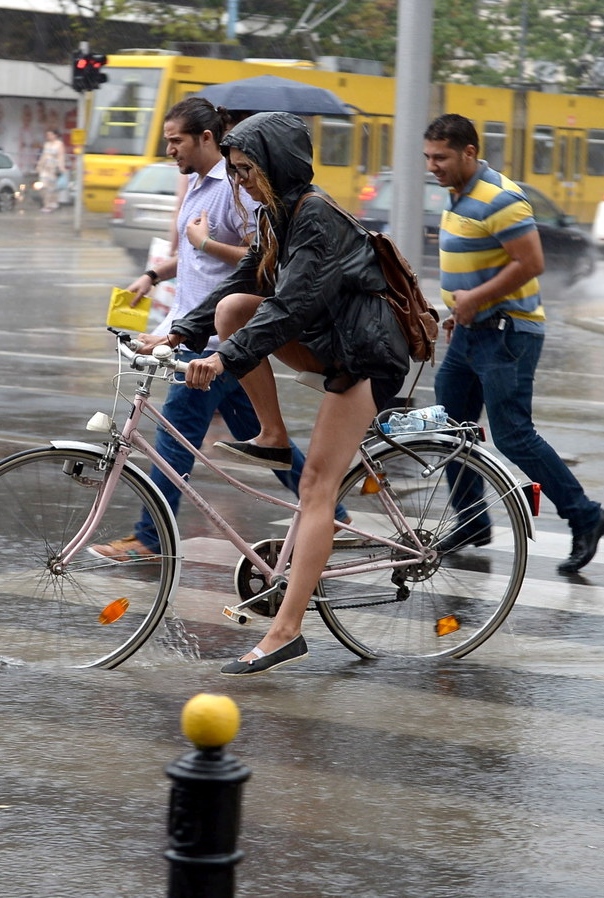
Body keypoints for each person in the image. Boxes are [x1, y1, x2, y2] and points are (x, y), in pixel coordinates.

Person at [147, 112, 410, 675]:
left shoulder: (313, 216)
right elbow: (244, 283)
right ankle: (272, 435)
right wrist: (178, 333)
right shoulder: (276, 216)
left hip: (366, 354)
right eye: (235, 172)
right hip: (331, 341)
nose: (239, 182)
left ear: (276, 167)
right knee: (231, 308)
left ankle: (286, 630)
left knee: (315, 486)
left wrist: (222, 360)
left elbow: (289, 309)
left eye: (246, 171)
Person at [89, 99, 346, 562]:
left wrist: (204, 248)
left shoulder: (264, 199)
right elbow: (213, 262)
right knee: (268, 438)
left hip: (222, 345)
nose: (169, 150)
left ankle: (151, 537)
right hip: (204, 336)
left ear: (205, 138)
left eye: (175, 140)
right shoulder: (203, 187)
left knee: (172, 441)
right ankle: (335, 511)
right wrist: (156, 286)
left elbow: (262, 273)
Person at [422, 113, 604, 576]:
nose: (433, 166)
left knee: (513, 436)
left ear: (469, 152)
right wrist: (459, 310)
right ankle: (471, 521)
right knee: (452, 430)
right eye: (428, 157)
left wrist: (475, 300)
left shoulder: (500, 197)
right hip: (471, 329)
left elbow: (531, 262)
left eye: (441, 157)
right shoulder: (459, 194)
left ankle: (586, 516)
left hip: (508, 332)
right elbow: (478, 264)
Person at [36, 129, 66, 212]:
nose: (48, 136)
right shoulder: (46, 144)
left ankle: (51, 204)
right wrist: (39, 166)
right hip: (45, 168)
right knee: (43, 186)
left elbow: (61, 156)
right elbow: (43, 155)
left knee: (52, 187)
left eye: (50, 135)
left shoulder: (59, 144)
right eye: (47, 135)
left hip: (53, 168)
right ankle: (46, 203)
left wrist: (61, 167)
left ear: (55, 135)